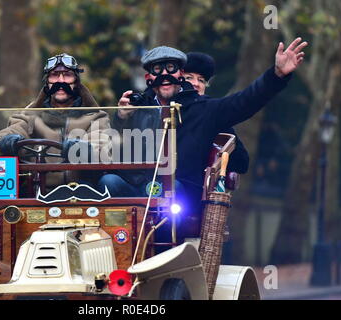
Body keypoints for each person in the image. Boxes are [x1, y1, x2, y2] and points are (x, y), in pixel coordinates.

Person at [115, 38, 307, 237]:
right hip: (141, 187)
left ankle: (158, 254)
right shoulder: (137, 106)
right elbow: (114, 148)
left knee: (173, 190)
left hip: (179, 196)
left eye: (170, 69)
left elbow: (245, 101)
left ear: (179, 75)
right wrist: (121, 118)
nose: (165, 75)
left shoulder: (204, 109)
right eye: (158, 70)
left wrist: (276, 75)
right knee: (109, 182)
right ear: (149, 77)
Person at [0, 53, 112, 193]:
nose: (61, 81)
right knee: (0, 176)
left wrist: (83, 150)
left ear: (76, 82)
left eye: (67, 75)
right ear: (47, 82)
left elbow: (101, 148)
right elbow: (13, 130)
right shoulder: (30, 114)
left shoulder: (95, 116)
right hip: (35, 192)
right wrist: (5, 141)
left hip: (81, 194)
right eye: (54, 75)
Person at [183, 51, 249, 174]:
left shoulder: (213, 114)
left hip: (196, 187)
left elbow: (241, 163)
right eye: (189, 78)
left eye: (201, 80)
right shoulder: (165, 110)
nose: (196, 84)